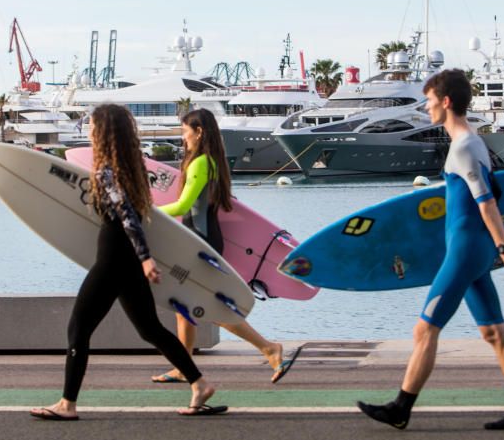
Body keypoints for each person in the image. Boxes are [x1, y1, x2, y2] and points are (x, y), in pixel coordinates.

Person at [357, 69, 504, 431]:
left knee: (424, 331)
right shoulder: (470, 143)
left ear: (446, 101)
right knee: (493, 332)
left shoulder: (466, 146)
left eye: (429, 101)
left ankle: (401, 407)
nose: (426, 108)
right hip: (469, 249)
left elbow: (486, 203)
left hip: (468, 250)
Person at [30, 103, 225, 420]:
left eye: (93, 126)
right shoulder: (130, 167)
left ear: (103, 132)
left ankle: (67, 404)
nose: (89, 131)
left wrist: (146, 259)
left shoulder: (107, 170)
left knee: (78, 328)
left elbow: (128, 216)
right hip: (126, 258)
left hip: (113, 259)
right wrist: (141, 258)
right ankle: (199, 383)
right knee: (149, 329)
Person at [151, 108, 301, 385]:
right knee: (184, 306)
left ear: (199, 132)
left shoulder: (199, 164)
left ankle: (269, 348)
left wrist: (148, 209)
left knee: (206, 306)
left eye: (185, 132)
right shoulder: (212, 162)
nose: (183, 138)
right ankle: (183, 365)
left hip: (199, 242)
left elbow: (184, 206)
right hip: (200, 238)